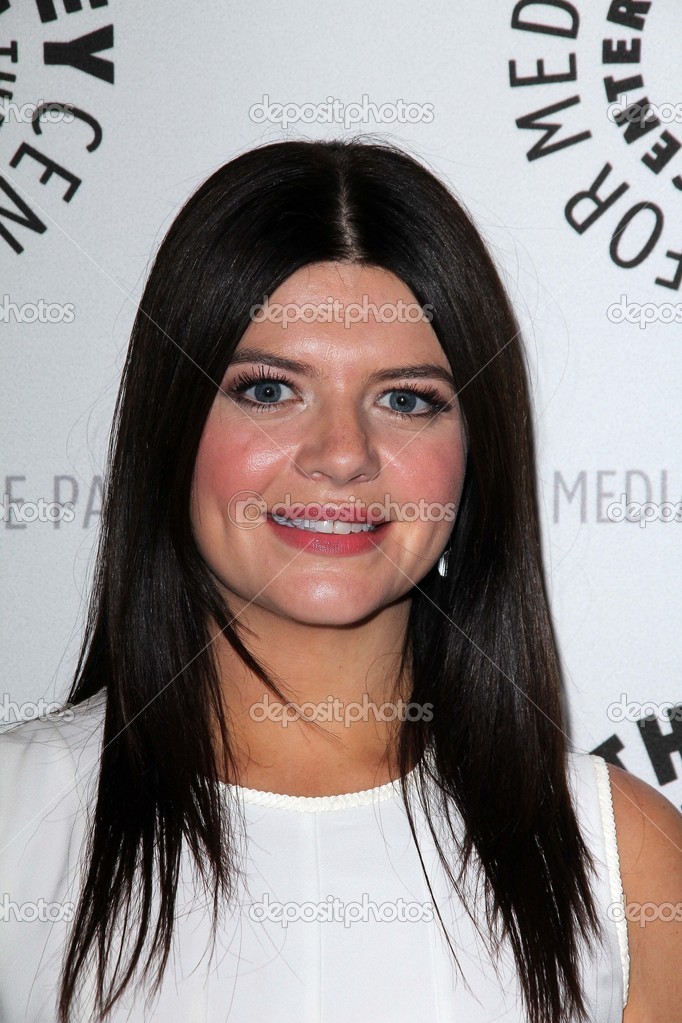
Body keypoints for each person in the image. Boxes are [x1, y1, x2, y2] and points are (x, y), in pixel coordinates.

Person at [1, 137, 680, 1023]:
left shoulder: (629, 862)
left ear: (474, 455)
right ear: (171, 426)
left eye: (406, 399)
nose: (343, 455)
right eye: (270, 389)